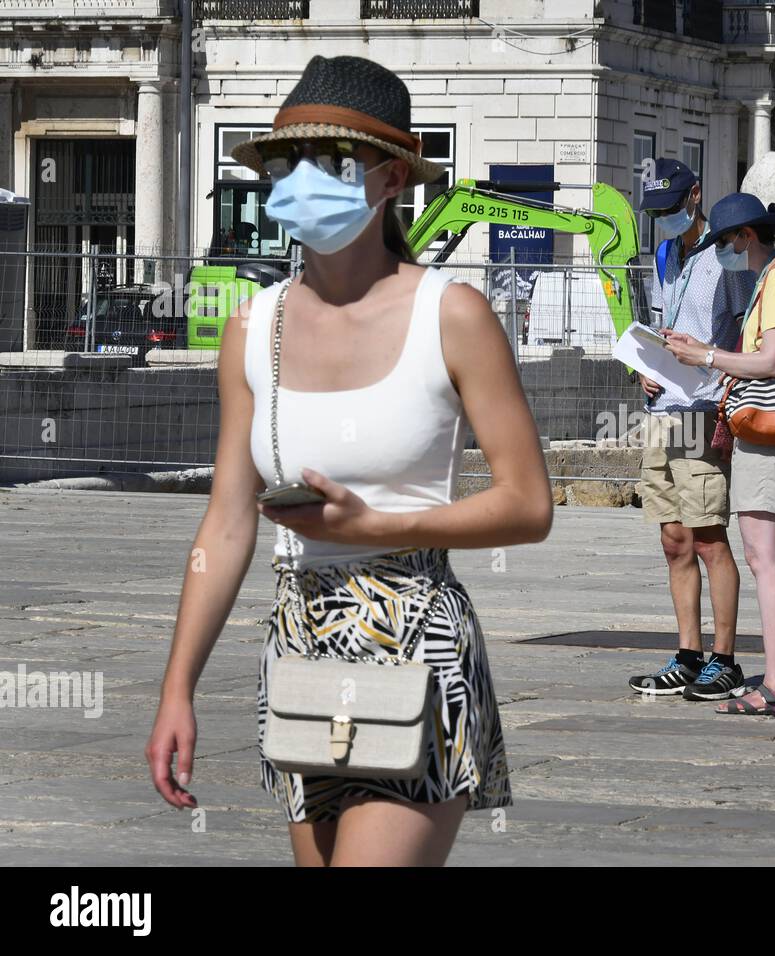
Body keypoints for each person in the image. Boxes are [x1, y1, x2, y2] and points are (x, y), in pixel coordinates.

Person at [145, 55, 553, 866]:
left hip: (415, 637)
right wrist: (176, 690)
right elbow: (227, 521)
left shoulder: (453, 314)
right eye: (284, 162)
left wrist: (379, 524)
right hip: (299, 639)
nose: (299, 181)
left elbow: (527, 504)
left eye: (329, 161)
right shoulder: (251, 328)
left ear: (392, 177)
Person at [664, 192, 775, 718]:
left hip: (768, 434)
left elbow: (769, 361)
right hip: (767, 434)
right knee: (774, 561)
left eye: (725, 242)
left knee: (764, 559)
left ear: (745, 237)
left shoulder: (774, 279)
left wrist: (702, 354)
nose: (723, 251)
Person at [627, 160, 756, 701]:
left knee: (707, 538)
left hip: (702, 409)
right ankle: (687, 654)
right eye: (655, 214)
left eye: (671, 210)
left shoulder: (727, 259)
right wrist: (645, 367)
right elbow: (664, 323)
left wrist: (714, 370)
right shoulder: (665, 254)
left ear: (695, 196)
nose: (664, 222)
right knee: (673, 539)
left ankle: (725, 659)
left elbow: (747, 336)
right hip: (664, 410)